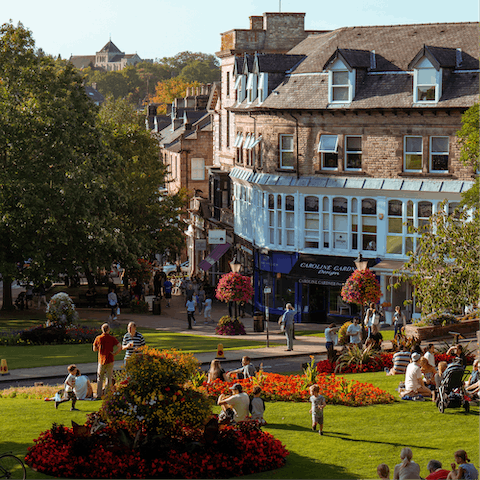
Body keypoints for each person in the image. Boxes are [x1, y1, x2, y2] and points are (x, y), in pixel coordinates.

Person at [92, 323, 121, 399]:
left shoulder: (98, 338)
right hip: (110, 360)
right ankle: (107, 394)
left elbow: (94, 349)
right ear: (108, 330)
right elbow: (119, 346)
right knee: (109, 378)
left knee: (99, 378)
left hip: (101, 360)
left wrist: (100, 348)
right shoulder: (112, 338)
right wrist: (115, 353)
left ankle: (98, 395)